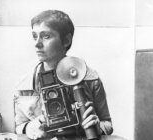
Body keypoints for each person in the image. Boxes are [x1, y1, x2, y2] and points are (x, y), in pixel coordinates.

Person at [14, 10, 113, 140]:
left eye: (46, 36)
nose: (37, 44)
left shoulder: (90, 79)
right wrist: (29, 128)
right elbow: (18, 127)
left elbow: (108, 124)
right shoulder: (24, 85)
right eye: (34, 36)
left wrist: (97, 127)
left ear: (66, 40)